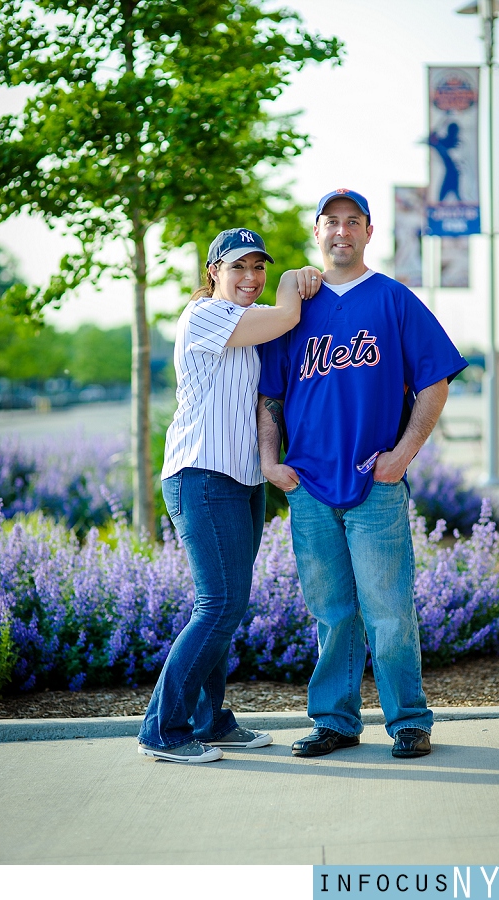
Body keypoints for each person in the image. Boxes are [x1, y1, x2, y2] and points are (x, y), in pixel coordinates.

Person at [257, 190, 467, 759]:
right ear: (318, 232)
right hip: (307, 487)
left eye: (354, 222)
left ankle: (408, 722)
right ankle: (335, 722)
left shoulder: (394, 300)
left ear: (369, 233)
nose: (342, 231)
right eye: (332, 222)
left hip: (375, 485)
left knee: (390, 610)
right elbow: (271, 393)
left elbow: (436, 380)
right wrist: (269, 460)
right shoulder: (296, 307)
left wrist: (403, 454)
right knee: (332, 613)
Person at [138, 227, 321, 764]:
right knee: (218, 605)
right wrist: (294, 279)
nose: (251, 277)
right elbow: (289, 315)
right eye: (239, 267)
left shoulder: (251, 319)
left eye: (260, 268)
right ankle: (162, 730)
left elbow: (274, 383)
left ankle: (210, 721)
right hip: (202, 473)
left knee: (227, 607)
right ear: (213, 271)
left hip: (242, 478)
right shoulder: (205, 315)